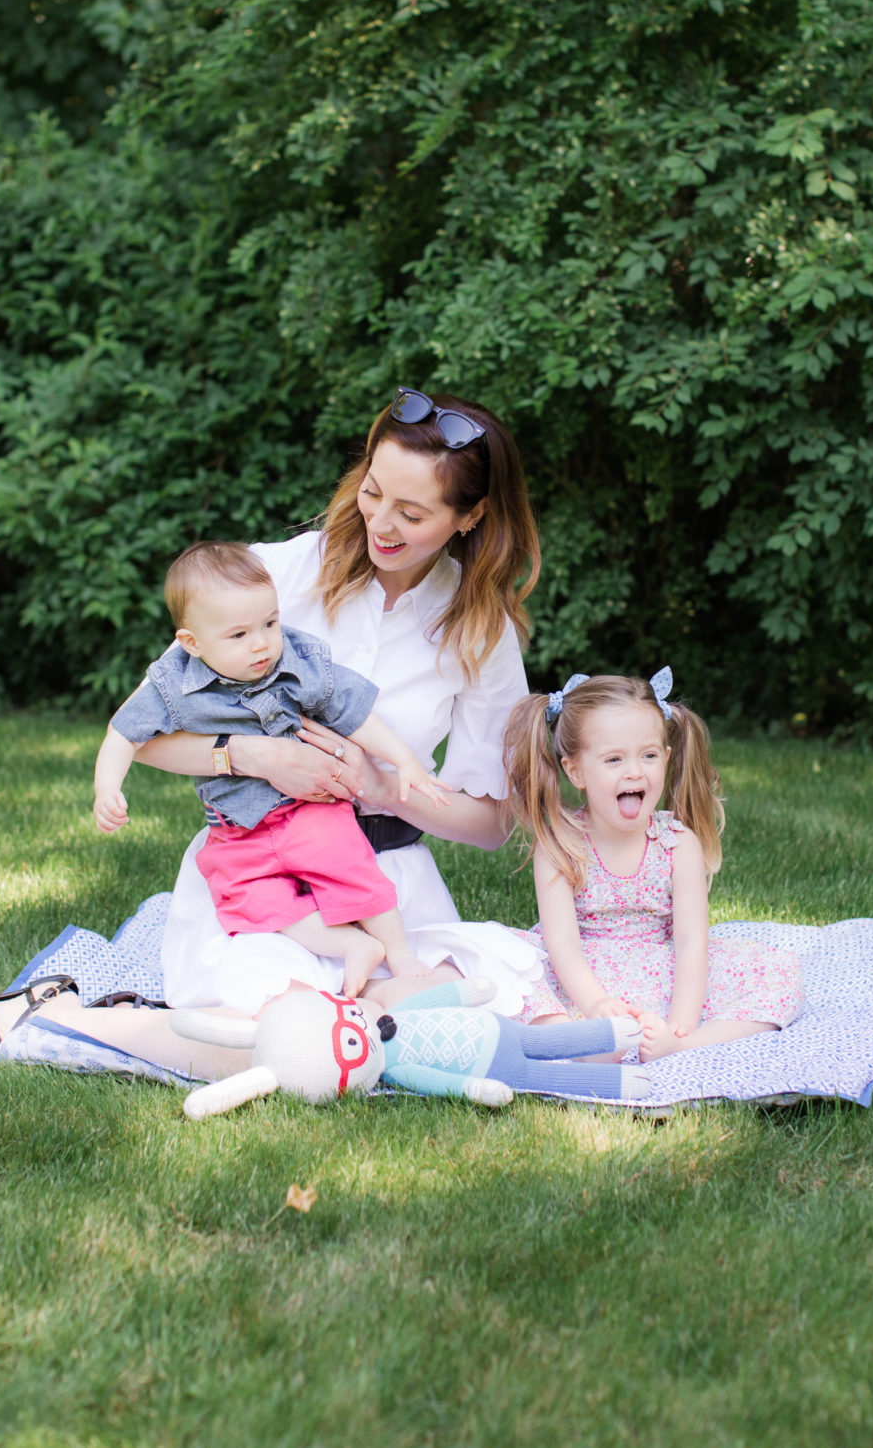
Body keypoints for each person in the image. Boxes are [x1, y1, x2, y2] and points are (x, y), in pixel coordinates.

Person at [132, 386, 545, 1017]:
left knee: (494, 999)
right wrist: (250, 756)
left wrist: (382, 787)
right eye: (373, 491)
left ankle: (383, 994)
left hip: (384, 887)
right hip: (264, 878)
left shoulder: (480, 631)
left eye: (412, 513)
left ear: (470, 515)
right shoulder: (279, 574)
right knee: (278, 1017)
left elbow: (493, 825)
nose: (380, 522)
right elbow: (141, 733)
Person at [93, 539, 451, 996]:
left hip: (308, 811)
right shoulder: (174, 684)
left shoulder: (297, 664)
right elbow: (125, 733)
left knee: (351, 868)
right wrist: (108, 789)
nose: (261, 643)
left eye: (270, 623)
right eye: (239, 635)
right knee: (247, 901)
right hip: (237, 831)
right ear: (191, 642)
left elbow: (355, 715)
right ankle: (351, 946)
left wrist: (405, 761)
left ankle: (397, 952)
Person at [503, 669, 804, 1059]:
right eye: (613, 759)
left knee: (780, 973)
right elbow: (562, 943)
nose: (634, 771)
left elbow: (691, 940)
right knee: (500, 968)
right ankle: (582, 1039)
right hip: (581, 979)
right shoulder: (561, 844)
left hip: (662, 974)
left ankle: (681, 1046)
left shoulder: (677, 845)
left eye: (647, 756)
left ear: (665, 758)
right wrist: (596, 1004)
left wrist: (682, 1023)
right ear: (574, 771)